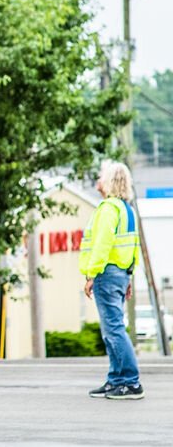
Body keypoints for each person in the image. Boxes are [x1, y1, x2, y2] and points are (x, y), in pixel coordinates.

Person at [79, 160, 144, 400]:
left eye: (101, 175)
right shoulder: (127, 210)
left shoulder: (108, 208)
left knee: (113, 328)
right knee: (111, 329)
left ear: (109, 181)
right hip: (121, 272)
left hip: (107, 273)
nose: (97, 179)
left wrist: (91, 275)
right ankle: (116, 379)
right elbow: (132, 246)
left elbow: (102, 245)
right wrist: (129, 276)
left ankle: (130, 381)